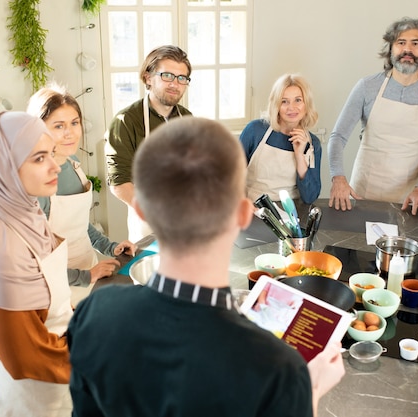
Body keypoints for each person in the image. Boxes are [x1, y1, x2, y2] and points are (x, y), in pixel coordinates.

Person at [67, 117, 344, 416]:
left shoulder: (93, 313)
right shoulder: (280, 371)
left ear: (141, 210)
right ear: (241, 215)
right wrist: (309, 392)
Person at [0, 112, 73, 416]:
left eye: (51, 154)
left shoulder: (18, 205)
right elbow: (27, 355)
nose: (55, 165)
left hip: (57, 368)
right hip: (34, 388)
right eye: (38, 158)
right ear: (1, 166)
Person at [328, 17, 418, 216]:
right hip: (362, 192)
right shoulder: (367, 87)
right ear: (391, 49)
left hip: (407, 200)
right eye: (401, 43)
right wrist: (338, 178)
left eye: (415, 43)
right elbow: (338, 137)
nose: (407, 50)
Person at [27, 84, 136, 288]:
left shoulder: (73, 163)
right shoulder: (35, 184)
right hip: (55, 285)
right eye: (58, 126)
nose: (70, 133)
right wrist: (85, 276)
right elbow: (33, 262)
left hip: (89, 270)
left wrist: (111, 247)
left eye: (74, 123)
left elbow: (78, 225)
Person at [105, 45, 193, 242]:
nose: (175, 84)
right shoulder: (126, 121)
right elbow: (119, 183)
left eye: (181, 78)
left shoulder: (187, 118)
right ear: (148, 77)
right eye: (167, 76)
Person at [240, 73, 322, 204]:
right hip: (253, 209)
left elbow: (310, 197)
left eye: (298, 100)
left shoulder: (313, 144)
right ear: (276, 105)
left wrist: (299, 156)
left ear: (306, 104)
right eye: (284, 101)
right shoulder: (255, 130)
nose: (291, 107)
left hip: (291, 214)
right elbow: (231, 175)